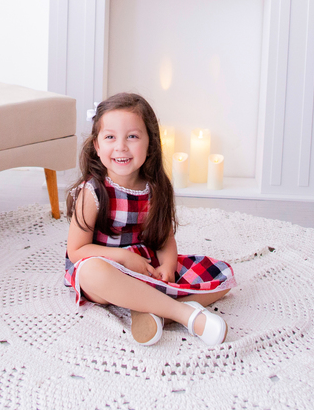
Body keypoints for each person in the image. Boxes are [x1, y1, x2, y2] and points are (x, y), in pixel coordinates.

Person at [64, 92, 235, 346]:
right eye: (110, 137)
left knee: (223, 279)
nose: (121, 146)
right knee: (91, 272)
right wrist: (124, 258)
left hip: (147, 269)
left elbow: (164, 239)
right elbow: (77, 251)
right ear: (97, 146)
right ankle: (183, 314)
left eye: (132, 137)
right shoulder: (92, 192)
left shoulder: (154, 189)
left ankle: (149, 310)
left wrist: (168, 267)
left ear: (150, 144)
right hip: (106, 268)